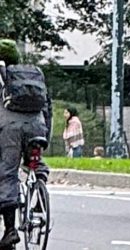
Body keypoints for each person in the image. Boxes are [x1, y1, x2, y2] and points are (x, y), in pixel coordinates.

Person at [0, 39, 50, 248]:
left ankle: (10, 230)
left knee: (7, 173)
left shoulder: (4, 77)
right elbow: (47, 106)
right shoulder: (34, 74)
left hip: (10, 129)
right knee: (34, 162)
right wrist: (45, 133)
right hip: (37, 126)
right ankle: (39, 192)